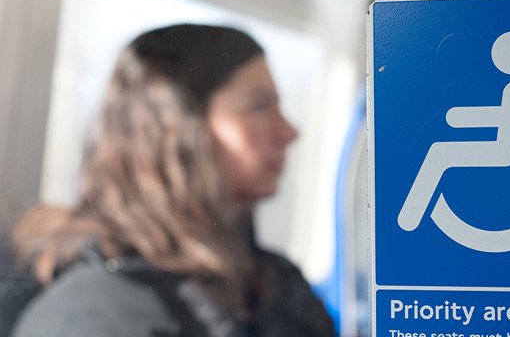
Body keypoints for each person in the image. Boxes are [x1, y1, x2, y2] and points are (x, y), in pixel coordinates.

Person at [10, 24, 335, 337]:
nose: (290, 132)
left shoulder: (277, 287)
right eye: (259, 106)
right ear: (178, 129)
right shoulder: (93, 312)